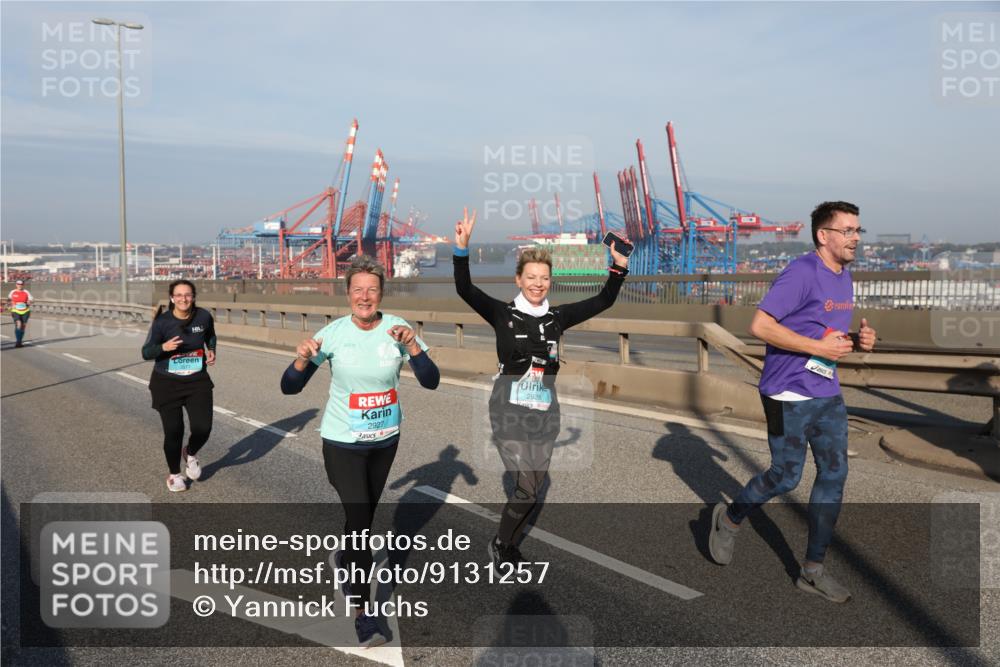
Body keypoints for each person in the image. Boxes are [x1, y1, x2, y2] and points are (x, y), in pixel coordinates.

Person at [708, 201, 877, 603]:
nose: (855, 237)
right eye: (847, 230)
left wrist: (858, 341)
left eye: (858, 230)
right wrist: (817, 347)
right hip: (787, 393)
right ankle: (729, 519)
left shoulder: (844, 275)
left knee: (834, 475)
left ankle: (812, 570)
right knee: (785, 477)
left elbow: (826, 334)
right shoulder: (802, 272)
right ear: (823, 235)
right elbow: (760, 325)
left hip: (826, 392)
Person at [452, 208, 630, 568]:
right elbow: (465, 289)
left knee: (532, 490)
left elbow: (603, 300)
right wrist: (461, 249)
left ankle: (507, 543)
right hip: (508, 410)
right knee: (528, 488)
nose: (538, 283)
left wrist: (619, 266)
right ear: (518, 279)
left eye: (544, 278)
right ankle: (501, 545)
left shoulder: (556, 318)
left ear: (550, 281)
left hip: (545, 412)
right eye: (531, 277)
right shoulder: (502, 314)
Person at [280, 254, 439, 649]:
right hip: (342, 443)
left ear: (381, 293)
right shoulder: (333, 334)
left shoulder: (398, 329)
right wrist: (301, 359)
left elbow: (431, 381)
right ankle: (364, 613)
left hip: (384, 442)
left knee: (362, 518)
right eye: (357, 290)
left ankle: (345, 561)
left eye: (372, 290)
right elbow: (290, 387)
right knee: (361, 523)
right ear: (348, 294)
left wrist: (414, 346)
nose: (365, 297)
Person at [141, 280, 217, 493]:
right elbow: (146, 352)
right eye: (179, 295)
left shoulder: (203, 316)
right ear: (172, 298)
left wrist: (211, 349)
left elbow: (210, 335)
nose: (184, 298)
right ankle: (174, 474)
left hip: (197, 381)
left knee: (203, 428)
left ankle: (190, 452)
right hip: (167, 383)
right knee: (174, 430)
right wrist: (163, 347)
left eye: (188, 294)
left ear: (193, 297)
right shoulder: (162, 322)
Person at [8, 279, 34, 347]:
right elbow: (9, 300)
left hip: (25, 311)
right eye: (18, 284)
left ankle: (19, 341)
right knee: (18, 324)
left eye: (21, 284)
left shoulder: (26, 292)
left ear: (23, 285)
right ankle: (18, 341)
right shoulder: (12, 292)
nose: (19, 285)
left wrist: (29, 301)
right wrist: (11, 304)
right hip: (15, 311)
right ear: (16, 285)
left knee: (23, 326)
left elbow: (31, 299)